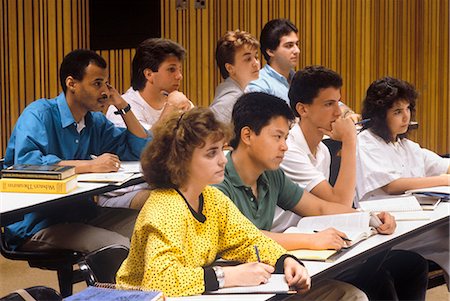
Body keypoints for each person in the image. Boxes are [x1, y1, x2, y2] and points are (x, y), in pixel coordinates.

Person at [214, 92, 429, 300]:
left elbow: (319, 208)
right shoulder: (218, 180)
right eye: (277, 137)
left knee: (362, 290)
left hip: (275, 275)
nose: (284, 146)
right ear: (247, 135)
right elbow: (245, 237)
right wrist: (311, 240)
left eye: (286, 137)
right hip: (240, 285)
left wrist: (370, 217)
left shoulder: (271, 175)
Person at [116, 108, 318, 297]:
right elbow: (159, 281)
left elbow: (249, 240)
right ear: (179, 160)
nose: (223, 160)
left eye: (222, 150)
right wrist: (227, 276)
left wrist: (286, 261)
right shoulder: (165, 207)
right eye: (212, 153)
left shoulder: (212, 198)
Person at [3, 49, 151, 253]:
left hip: (81, 214)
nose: (105, 92)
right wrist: (90, 165)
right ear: (71, 83)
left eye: (106, 84)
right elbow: (28, 164)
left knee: (152, 226)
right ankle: (112, 286)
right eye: (97, 84)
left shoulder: (95, 122)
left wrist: (123, 106)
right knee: (118, 247)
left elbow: (140, 150)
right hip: (37, 223)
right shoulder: (38, 114)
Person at [356, 76, 450, 286]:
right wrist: (442, 180)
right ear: (380, 115)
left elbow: (442, 164)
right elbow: (392, 185)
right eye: (397, 112)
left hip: (417, 220)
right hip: (390, 228)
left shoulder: (403, 144)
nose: (406, 116)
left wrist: (445, 176)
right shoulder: (365, 142)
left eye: (408, 109)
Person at [102, 38, 193, 209]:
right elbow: (146, 152)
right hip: (128, 191)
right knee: (173, 200)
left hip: (169, 182)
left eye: (179, 70)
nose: (179, 76)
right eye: (171, 70)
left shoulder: (179, 101)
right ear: (149, 74)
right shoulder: (121, 109)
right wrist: (170, 110)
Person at [277, 66, 356, 232]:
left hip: (309, 234)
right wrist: (349, 140)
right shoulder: (288, 150)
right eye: (329, 104)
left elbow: (334, 208)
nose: (338, 113)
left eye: (338, 103)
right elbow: (341, 204)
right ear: (303, 109)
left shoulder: (322, 150)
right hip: (281, 239)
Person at [246, 18, 359, 120]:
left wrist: (348, 113)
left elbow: (328, 99)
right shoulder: (258, 85)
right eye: (289, 46)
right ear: (270, 51)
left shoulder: (301, 79)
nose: (297, 51)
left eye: (297, 44)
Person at [209, 30, 260, 123]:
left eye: (256, 57)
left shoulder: (237, 94)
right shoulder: (230, 100)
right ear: (230, 68)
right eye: (248, 59)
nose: (256, 63)